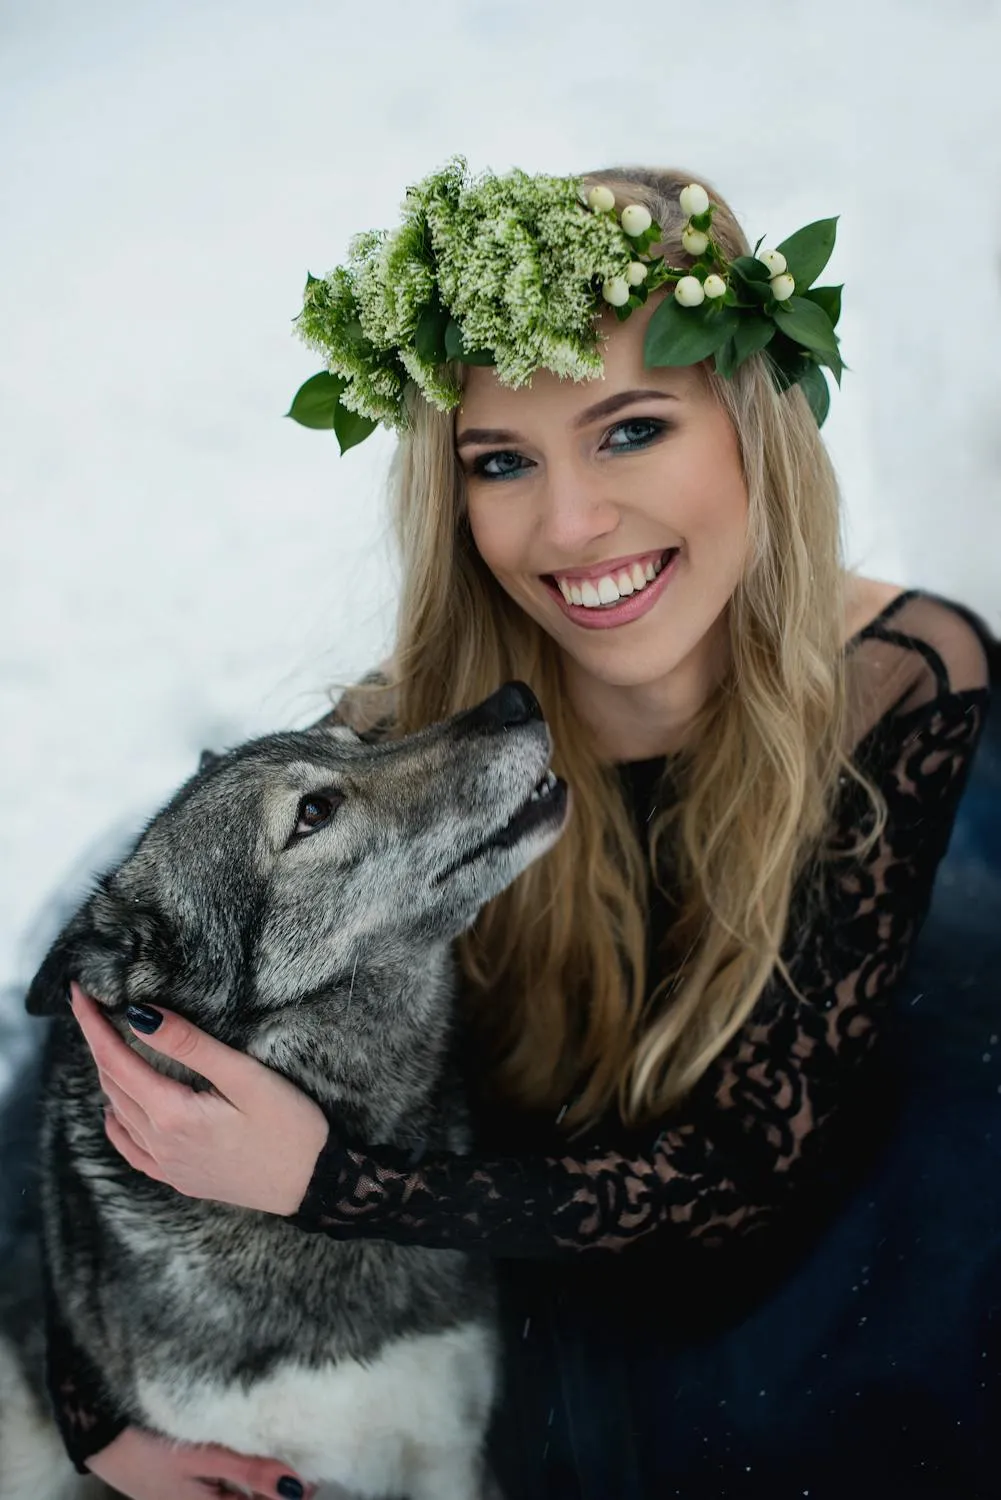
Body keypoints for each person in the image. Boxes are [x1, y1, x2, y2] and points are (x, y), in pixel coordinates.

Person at [35, 162, 994, 1499]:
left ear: (749, 421)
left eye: (631, 429)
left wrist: (334, 1186)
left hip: (773, 1212)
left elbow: (747, 1169)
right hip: (524, 1227)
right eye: (500, 460)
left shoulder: (899, 677)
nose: (571, 523)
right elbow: (105, 1078)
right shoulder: (421, 745)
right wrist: (93, 1407)